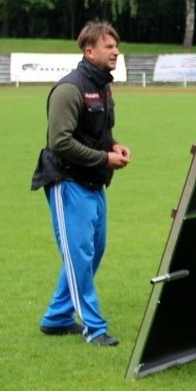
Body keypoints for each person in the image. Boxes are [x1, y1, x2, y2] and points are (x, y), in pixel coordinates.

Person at [31, 21, 130, 346]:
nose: (116, 51)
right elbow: (59, 142)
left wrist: (113, 146)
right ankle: (95, 328)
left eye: (116, 46)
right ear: (89, 51)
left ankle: (57, 317)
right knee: (79, 257)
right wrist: (104, 159)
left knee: (92, 252)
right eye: (109, 46)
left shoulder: (103, 86)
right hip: (67, 181)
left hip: (93, 182)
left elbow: (98, 132)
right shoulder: (69, 89)